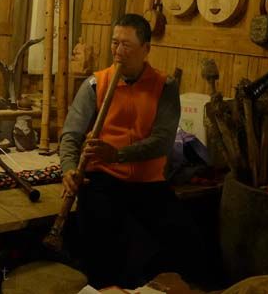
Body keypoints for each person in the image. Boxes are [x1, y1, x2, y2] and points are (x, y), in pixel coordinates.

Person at [59, 14, 203, 289]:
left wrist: (118, 154)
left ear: (146, 48)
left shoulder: (165, 86)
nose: (118, 51)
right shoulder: (95, 84)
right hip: (103, 176)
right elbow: (71, 135)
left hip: (147, 181)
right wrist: (68, 169)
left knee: (185, 239)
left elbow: (162, 141)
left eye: (126, 45)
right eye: (115, 43)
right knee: (101, 242)